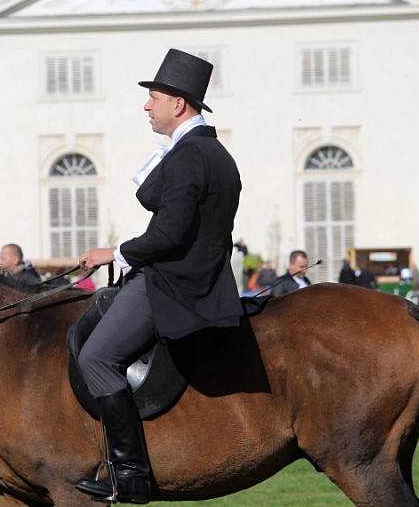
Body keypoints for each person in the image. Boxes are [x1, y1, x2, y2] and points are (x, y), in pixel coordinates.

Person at [74, 49, 242, 503]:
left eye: (155, 98)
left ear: (178, 105)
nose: (146, 106)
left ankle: (129, 473)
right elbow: (152, 196)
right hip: (196, 278)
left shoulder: (190, 156)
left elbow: (167, 233)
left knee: (94, 358)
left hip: (171, 283)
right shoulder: (205, 151)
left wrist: (116, 252)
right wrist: (170, 146)